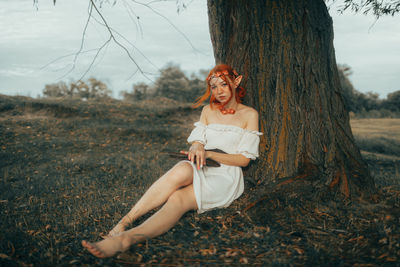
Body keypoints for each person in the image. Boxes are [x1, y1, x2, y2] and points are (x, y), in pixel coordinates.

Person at [81, 64, 262, 258]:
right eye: (215, 87)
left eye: (224, 85)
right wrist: (197, 146)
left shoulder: (249, 114)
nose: (219, 91)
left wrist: (210, 154)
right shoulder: (208, 111)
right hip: (202, 165)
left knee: (178, 198)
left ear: (236, 82)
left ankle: (126, 239)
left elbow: (244, 160)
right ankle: (123, 222)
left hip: (226, 174)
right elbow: (197, 139)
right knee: (181, 169)